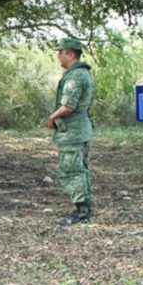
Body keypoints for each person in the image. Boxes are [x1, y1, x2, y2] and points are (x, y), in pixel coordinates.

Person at [46, 38, 95, 226]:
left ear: (71, 54)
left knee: (72, 170)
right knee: (81, 170)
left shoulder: (75, 76)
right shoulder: (83, 73)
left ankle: (82, 212)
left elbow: (68, 106)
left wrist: (52, 118)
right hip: (81, 129)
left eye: (61, 52)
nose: (59, 56)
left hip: (73, 131)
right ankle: (85, 207)